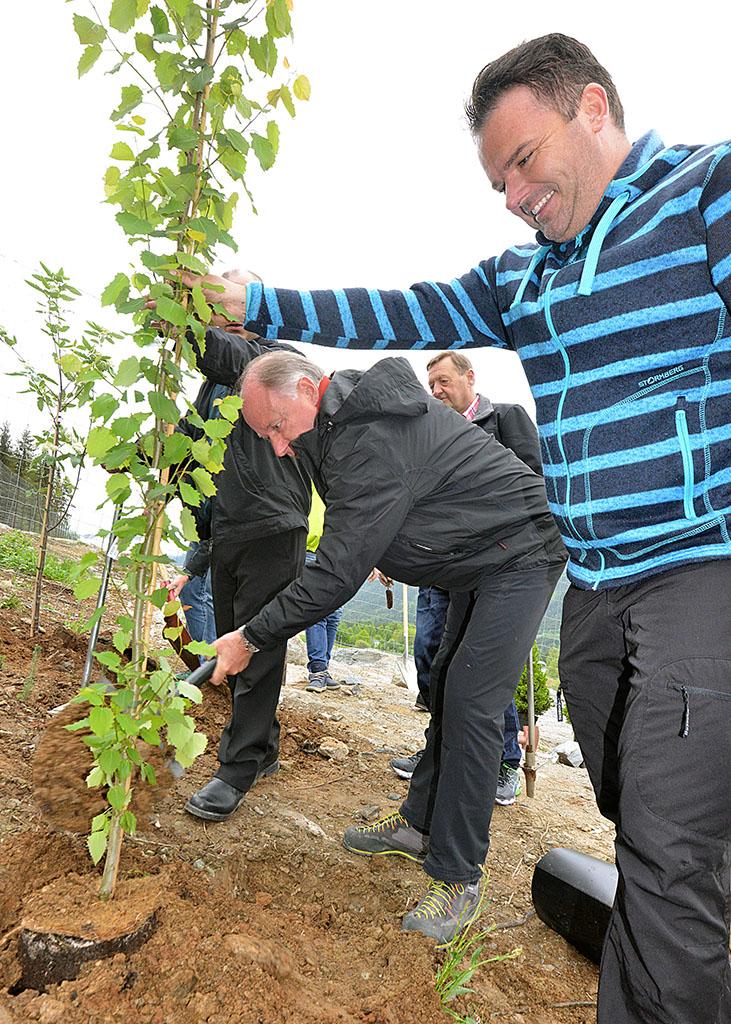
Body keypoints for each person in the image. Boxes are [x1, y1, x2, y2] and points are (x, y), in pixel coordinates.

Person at [179, 33, 731, 1024]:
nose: (514, 194)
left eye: (523, 160)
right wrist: (253, 300)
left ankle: (484, 881)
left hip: (681, 561)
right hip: (597, 580)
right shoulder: (523, 280)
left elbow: (337, 562)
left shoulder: (703, 191)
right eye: (496, 183)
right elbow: (400, 306)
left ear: (593, 109)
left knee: (646, 834)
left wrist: (250, 634)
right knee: (630, 791)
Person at [206, 348, 566, 944]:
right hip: (472, 560)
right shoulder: (329, 428)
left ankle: (457, 877)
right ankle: (417, 824)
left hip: (522, 552)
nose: (276, 446)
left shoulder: (366, 436)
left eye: (275, 426)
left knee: (474, 700)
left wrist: (250, 635)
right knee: (451, 682)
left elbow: (336, 573)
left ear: (307, 390)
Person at [391, 351, 545, 807]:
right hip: (442, 565)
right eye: (430, 385)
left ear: (469, 378)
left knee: (483, 670)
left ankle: (503, 763)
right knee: (435, 661)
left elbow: (535, 483)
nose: (436, 391)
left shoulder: (507, 419)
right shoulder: (431, 433)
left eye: (443, 381)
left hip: (497, 565)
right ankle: (439, 753)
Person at [174, 324, 311, 823]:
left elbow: (233, 355)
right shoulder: (210, 388)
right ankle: (265, 746)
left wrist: (190, 320)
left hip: (274, 525)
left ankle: (238, 768)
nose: (222, 330)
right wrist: (139, 456)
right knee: (235, 647)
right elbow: (186, 451)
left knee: (255, 647)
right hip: (227, 529)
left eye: (229, 319)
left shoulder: (273, 361)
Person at [304, 487, 344, 693]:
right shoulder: (309, 475)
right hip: (311, 550)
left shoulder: (339, 479)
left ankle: (323, 668)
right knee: (317, 612)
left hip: (337, 553)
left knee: (334, 614)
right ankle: (318, 669)